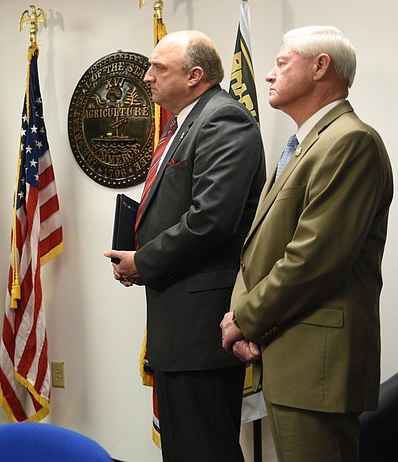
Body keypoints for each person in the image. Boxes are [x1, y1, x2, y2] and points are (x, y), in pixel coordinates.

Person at [220, 26, 393, 462]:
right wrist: (241, 318)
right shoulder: (303, 146)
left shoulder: (350, 141)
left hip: (317, 365)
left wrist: (242, 318)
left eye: (281, 63)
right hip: (286, 354)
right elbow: (258, 250)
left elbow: (312, 260)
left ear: (320, 67)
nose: (268, 76)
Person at [103, 31, 265, 462]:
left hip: (202, 327)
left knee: (204, 449)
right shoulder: (184, 123)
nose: (147, 76)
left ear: (195, 76)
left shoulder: (223, 119)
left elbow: (211, 219)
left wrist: (145, 261)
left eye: (159, 67)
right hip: (178, 322)